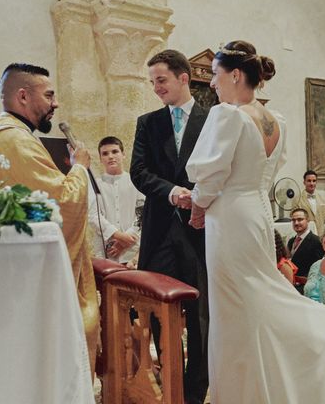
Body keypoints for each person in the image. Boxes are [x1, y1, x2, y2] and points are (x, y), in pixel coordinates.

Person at [185, 40, 325, 403]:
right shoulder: (277, 121)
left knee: (234, 307)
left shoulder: (228, 114)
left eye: (216, 75)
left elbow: (212, 175)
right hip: (257, 211)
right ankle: (267, 383)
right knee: (255, 296)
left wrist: (197, 205)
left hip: (230, 216)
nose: (212, 83)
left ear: (236, 75)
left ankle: (246, 390)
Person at [0, 63, 99, 369]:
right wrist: (79, 166)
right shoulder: (16, 141)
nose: (56, 103)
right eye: (49, 95)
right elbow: (63, 203)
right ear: (23, 96)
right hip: (28, 278)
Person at [129, 49, 209, 404]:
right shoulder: (148, 123)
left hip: (201, 231)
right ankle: (171, 383)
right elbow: (140, 172)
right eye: (152, 82)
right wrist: (171, 191)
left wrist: (200, 197)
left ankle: (195, 392)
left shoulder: (212, 120)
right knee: (160, 311)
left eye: (161, 80)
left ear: (183, 78)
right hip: (161, 230)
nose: (156, 88)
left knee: (200, 314)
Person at [87, 136, 143, 266]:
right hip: (106, 250)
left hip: (132, 249)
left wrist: (125, 240)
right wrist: (118, 236)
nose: (110, 156)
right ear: (101, 159)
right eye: (105, 154)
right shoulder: (94, 184)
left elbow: (142, 213)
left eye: (115, 151)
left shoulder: (136, 182)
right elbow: (93, 216)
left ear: (123, 154)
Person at [287, 207, 324, 278]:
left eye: (300, 219)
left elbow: (317, 268)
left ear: (308, 220)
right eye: (293, 220)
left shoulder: (316, 241)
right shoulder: (291, 241)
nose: (296, 223)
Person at [296, 169, 325, 235]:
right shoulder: (297, 199)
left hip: (321, 235)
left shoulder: (323, 198)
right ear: (304, 182)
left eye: (314, 181)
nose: (312, 183)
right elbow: (295, 219)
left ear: (316, 182)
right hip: (305, 235)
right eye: (309, 181)